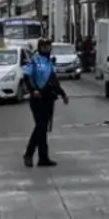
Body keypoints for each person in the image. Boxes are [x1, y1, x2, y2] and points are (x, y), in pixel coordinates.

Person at [23, 37, 68, 168]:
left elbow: (54, 81)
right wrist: (33, 90)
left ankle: (43, 157)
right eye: (46, 46)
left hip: (49, 98)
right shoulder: (34, 60)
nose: (49, 48)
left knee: (42, 129)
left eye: (49, 46)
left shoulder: (49, 61)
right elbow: (27, 76)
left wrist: (63, 94)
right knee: (40, 126)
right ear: (41, 47)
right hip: (37, 99)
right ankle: (28, 154)